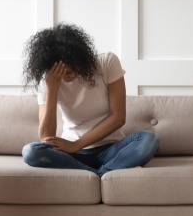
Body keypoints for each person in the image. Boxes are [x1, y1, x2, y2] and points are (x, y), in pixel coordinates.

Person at [21, 23, 159, 177]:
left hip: (111, 148)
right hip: (73, 154)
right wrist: (52, 89)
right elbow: (45, 138)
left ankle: (94, 174)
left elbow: (118, 117)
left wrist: (77, 144)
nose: (67, 76)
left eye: (71, 70)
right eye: (61, 72)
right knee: (30, 152)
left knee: (149, 139)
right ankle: (101, 174)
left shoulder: (107, 62)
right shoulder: (48, 81)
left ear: (79, 58)